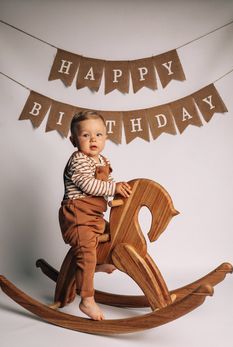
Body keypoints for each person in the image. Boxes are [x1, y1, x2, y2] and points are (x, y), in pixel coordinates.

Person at [58, 110, 132, 321]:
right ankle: (87, 299)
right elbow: (87, 184)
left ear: (106, 138)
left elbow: (109, 182)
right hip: (77, 217)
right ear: (73, 140)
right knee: (86, 250)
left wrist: (120, 190)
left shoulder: (103, 160)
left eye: (99, 135)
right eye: (86, 135)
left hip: (95, 217)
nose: (93, 139)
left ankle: (96, 265)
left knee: (115, 234)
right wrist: (112, 187)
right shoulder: (78, 160)